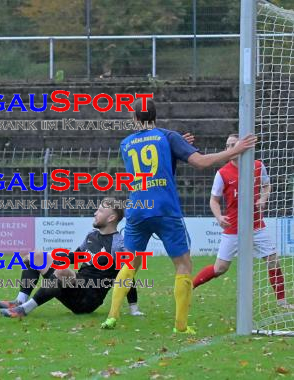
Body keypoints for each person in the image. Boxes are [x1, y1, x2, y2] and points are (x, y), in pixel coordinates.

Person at [101, 98, 257, 334]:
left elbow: (149, 165)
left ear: (134, 119)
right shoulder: (168, 137)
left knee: (129, 264)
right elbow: (201, 163)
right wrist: (234, 150)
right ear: (155, 116)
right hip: (164, 209)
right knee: (183, 265)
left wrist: (175, 149)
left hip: (138, 207)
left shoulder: (126, 143)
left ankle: (112, 317)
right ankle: (181, 327)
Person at [0, 200, 143, 318]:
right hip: (76, 287)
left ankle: (24, 310)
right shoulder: (91, 235)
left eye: (100, 211)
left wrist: (133, 307)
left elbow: (127, 275)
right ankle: (19, 301)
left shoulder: (118, 244)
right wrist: (48, 257)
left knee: (63, 272)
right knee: (35, 256)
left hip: (89, 299)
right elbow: (74, 256)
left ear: (111, 218)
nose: (95, 213)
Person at [193, 134, 293, 310]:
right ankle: (189, 287)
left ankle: (282, 301)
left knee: (273, 260)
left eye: (233, 145)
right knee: (220, 268)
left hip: (256, 226)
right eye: (227, 145)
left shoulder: (257, 166)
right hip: (233, 228)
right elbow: (213, 200)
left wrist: (263, 199)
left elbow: (267, 185)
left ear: (242, 147)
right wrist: (218, 217)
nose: (229, 149)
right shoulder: (222, 173)